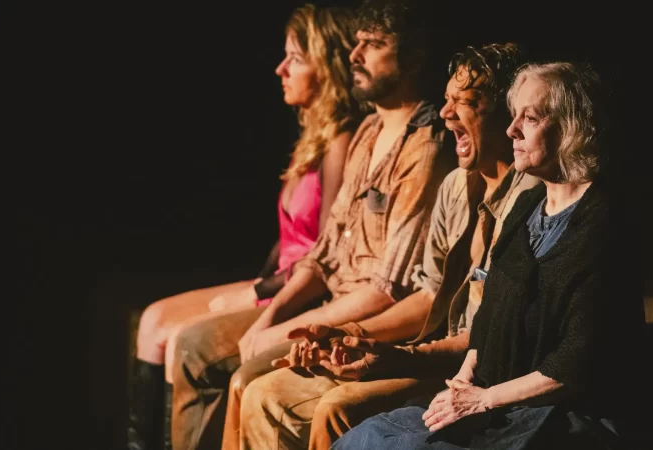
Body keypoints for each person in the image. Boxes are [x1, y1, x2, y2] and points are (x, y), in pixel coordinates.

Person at [167, 1, 457, 449]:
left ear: (414, 58)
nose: (355, 56)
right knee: (195, 345)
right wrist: (272, 316)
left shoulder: (426, 148)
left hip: (367, 320)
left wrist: (286, 327)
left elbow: (388, 290)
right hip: (334, 306)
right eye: (356, 44)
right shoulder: (367, 133)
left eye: (373, 45)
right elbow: (322, 256)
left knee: (250, 382)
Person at [236, 42, 541, 450]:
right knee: (261, 391)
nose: (446, 113)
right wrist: (347, 335)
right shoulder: (456, 186)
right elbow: (428, 294)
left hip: (479, 374)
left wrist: (397, 354)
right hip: (440, 351)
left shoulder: (532, 200)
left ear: (508, 116)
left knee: (333, 408)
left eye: (467, 102)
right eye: (447, 100)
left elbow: (493, 338)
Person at [330, 62, 651, 449]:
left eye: (529, 118)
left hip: (565, 413)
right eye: (513, 116)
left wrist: (483, 400)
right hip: (499, 401)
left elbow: (575, 363)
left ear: (572, 128)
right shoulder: (526, 209)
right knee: (367, 437)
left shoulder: (604, 225)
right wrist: (461, 384)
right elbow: (486, 323)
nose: (512, 130)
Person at [125, 4, 365, 449]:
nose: (280, 69)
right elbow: (288, 238)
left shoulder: (342, 142)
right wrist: (256, 282)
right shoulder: (312, 137)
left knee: (182, 340)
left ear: (326, 66)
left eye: (295, 58)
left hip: (303, 292)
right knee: (153, 319)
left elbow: (325, 252)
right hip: (280, 280)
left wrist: (256, 292)